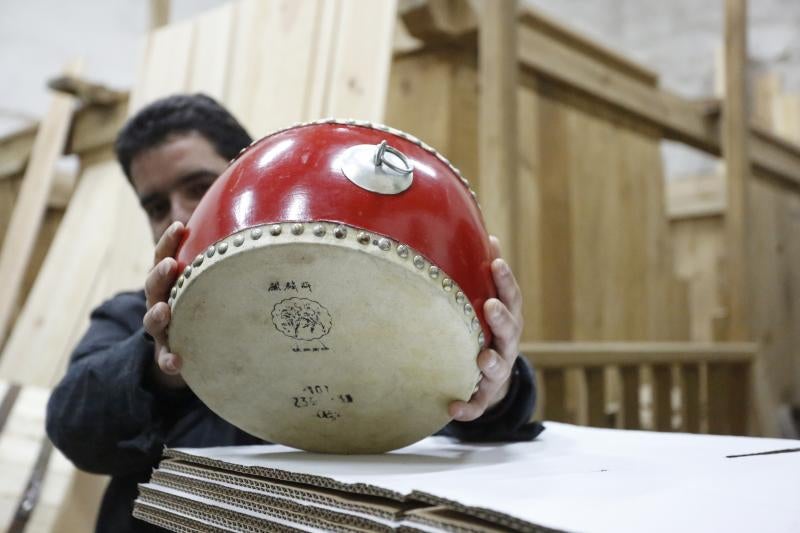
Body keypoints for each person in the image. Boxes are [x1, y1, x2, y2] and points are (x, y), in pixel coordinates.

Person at [46, 94, 541, 533]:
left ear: (245, 177)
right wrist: (164, 364)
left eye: (198, 187)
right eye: (155, 205)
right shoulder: (130, 315)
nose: (177, 215)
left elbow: (489, 423)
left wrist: (494, 387)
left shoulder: (369, 284)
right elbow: (75, 429)